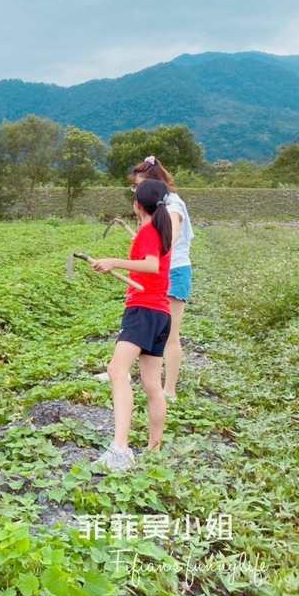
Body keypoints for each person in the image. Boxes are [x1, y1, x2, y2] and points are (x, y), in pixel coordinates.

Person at [90, 179, 173, 472]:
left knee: (116, 370)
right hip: (161, 312)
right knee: (152, 385)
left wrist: (114, 261)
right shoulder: (162, 228)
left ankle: (120, 450)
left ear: (138, 204)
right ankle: (154, 450)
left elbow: (151, 265)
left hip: (144, 310)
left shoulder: (149, 230)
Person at [128, 156, 194, 400]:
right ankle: (129, 372)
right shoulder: (158, 207)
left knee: (170, 333)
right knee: (146, 325)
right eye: (135, 186)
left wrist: (153, 251)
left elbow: (172, 234)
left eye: (140, 185)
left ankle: (170, 390)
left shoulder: (172, 206)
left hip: (174, 273)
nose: (137, 191)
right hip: (161, 273)